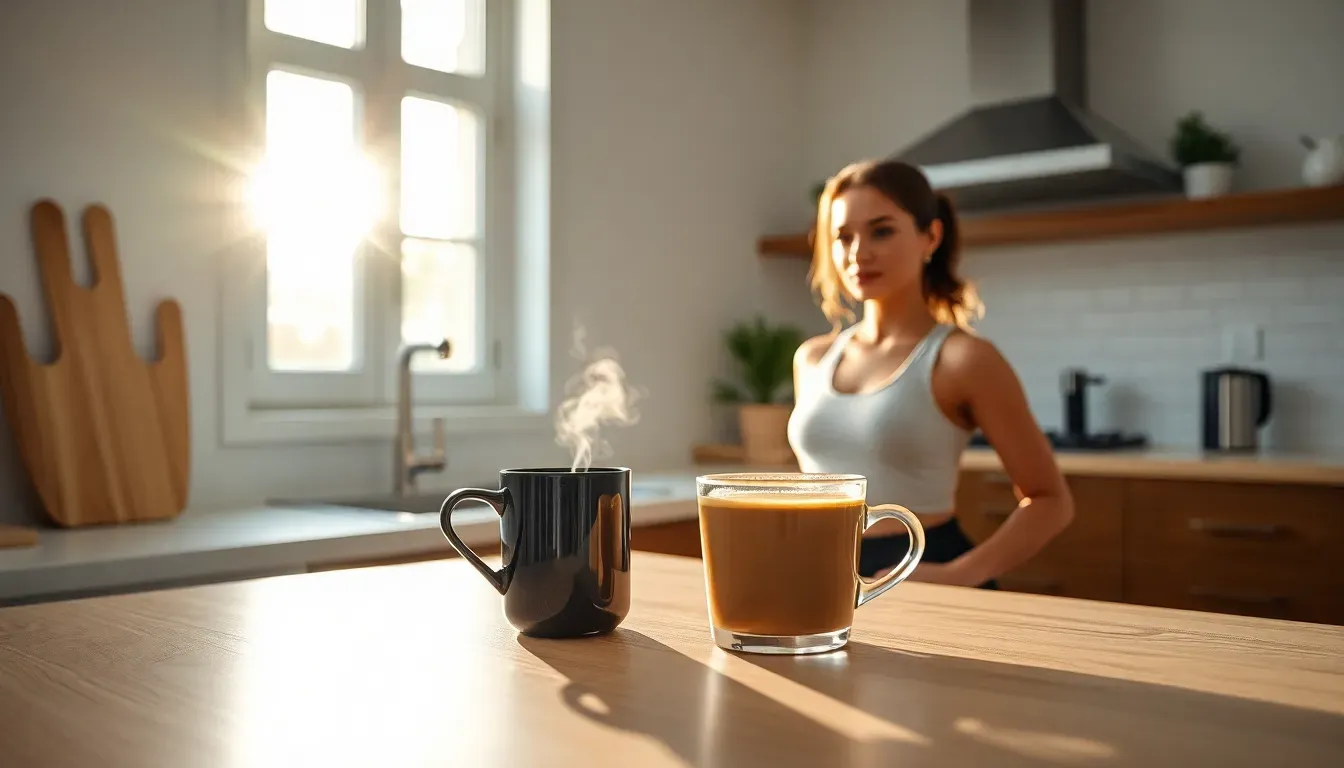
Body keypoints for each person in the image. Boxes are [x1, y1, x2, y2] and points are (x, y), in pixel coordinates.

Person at [787, 159, 1073, 588]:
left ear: (931, 236)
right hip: (821, 571)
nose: (859, 253)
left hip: (921, 573)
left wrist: (960, 574)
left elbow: (1051, 501)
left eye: (882, 231)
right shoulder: (812, 358)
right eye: (843, 237)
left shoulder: (964, 359)